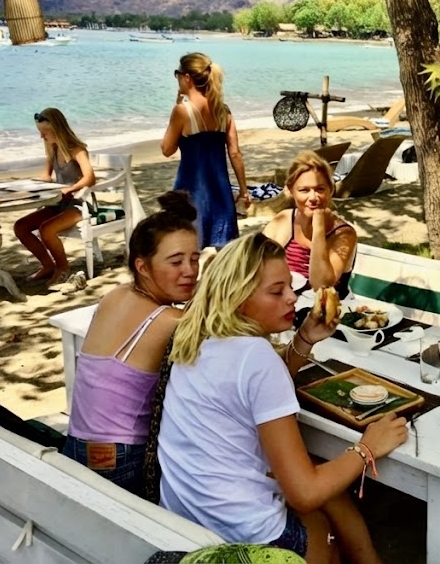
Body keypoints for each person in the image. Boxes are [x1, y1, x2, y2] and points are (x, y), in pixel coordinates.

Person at [157, 233, 408, 563]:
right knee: (323, 525)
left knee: (321, 483)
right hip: (240, 536)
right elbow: (304, 493)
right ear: (238, 299)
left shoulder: (202, 335)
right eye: (277, 291)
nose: (292, 297)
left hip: (184, 515)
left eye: (290, 286)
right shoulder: (256, 357)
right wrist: (366, 448)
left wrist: (303, 339)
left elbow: (254, 389)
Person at [62, 192, 200, 494]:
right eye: (176, 261)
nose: (190, 271)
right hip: (120, 459)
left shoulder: (116, 295)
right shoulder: (169, 321)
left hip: (76, 444)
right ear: (143, 266)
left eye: (195, 258)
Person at [162, 53, 250, 249]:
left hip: (191, 191)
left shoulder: (182, 111)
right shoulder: (223, 111)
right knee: (222, 250)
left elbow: (167, 149)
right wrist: (244, 190)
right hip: (220, 191)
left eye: (177, 74)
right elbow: (235, 153)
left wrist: (177, 105)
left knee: (190, 246)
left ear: (187, 78)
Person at [13, 108, 96, 286]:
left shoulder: (77, 150)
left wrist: (71, 189)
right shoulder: (53, 150)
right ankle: (47, 265)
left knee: (46, 229)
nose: (42, 137)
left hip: (79, 204)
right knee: (21, 227)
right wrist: (32, 184)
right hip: (58, 203)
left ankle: (63, 267)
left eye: (44, 133)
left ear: (57, 129)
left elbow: (90, 177)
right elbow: (46, 176)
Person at [263, 151, 357, 298]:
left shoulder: (344, 233)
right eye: (304, 190)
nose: (313, 197)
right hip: (286, 305)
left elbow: (320, 285)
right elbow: (256, 265)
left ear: (330, 190)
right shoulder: (283, 220)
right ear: (290, 191)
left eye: (320, 189)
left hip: (328, 312)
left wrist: (318, 228)